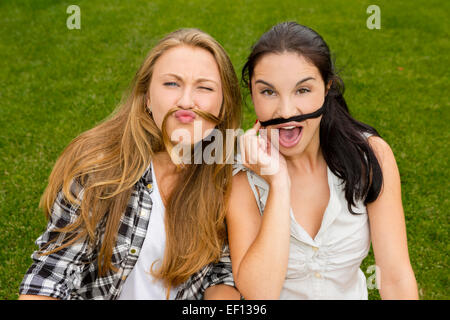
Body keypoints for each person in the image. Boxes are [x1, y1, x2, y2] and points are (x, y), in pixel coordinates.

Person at [19, 28, 242, 300]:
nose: (186, 101)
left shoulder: (226, 172)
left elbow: (221, 273)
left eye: (205, 87)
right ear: (147, 97)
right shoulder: (99, 167)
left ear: (224, 106)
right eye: (171, 84)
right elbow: (51, 275)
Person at [227, 22, 419, 299]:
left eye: (302, 90)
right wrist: (278, 183)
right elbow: (259, 293)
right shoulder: (241, 175)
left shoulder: (371, 156)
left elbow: (396, 276)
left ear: (327, 87)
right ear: (252, 92)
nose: (286, 111)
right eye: (268, 92)